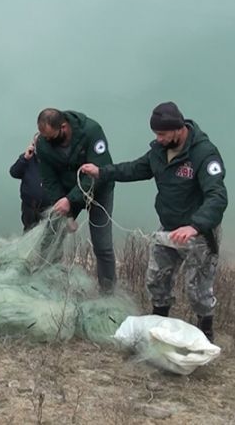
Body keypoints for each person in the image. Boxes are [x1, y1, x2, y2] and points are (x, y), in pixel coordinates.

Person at [80, 102, 227, 341]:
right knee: (156, 280)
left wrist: (195, 225)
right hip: (168, 229)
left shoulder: (204, 154)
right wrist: (102, 171)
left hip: (198, 233)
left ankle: (205, 332)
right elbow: (136, 169)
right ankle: (160, 324)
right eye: (156, 134)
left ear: (179, 129)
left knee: (197, 290)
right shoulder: (159, 151)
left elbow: (217, 196)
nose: (158, 139)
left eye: (162, 134)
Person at [35, 108, 116, 291]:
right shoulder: (43, 143)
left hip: (99, 191)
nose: (46, 141)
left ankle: (108, 291)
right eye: (44, 137)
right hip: (65, 192)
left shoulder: (92, 132)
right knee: (50, 238)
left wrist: (71, 201)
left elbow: (98, 172)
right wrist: (67, 212)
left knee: (102, 246)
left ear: (63, 127)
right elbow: (49, 179)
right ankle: (44, 284)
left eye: (50, 136)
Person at [9, 133, 50, 232]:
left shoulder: (54, 160)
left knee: (48, 235)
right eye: (36, 143)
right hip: (29, 207)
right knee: (29, 232)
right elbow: (14, 173)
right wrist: (25, 158)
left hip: (49, 208)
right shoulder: (27, 159)